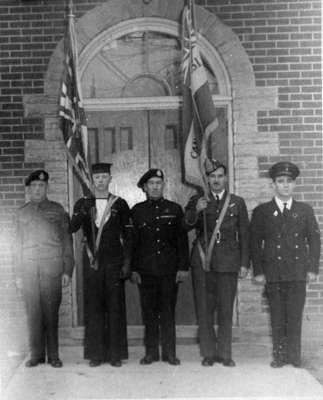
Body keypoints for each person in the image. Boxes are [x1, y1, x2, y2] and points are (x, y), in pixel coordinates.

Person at [250, 161, 321, 368]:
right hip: (274, 273)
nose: (285, 185)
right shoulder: (262, 211)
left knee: (295, 315)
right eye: (281, 181)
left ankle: (294, 355)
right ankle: (280, 356)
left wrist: (313, 269)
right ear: (273, 184)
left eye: (289, 181)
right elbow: (255, 243)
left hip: (298, 272)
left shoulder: (304, 210)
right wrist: (259, 271)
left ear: (295, 185)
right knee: (278, 316)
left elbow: (314, 240)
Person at [183, 159, 249, 367]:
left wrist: (245, 263)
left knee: (226, 309)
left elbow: (245, 234)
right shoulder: (198, 200)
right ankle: (209, 353)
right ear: (207, 179)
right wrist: (196, 212)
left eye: (220, 176)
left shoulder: (237, 202)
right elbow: (184, 225)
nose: (216, 180)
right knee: (204, 308)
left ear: (226, 178)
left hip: (228, 261)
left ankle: (225, 353)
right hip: (203, 261)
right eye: (212, 177)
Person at [70, 163, 132, 367]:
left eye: (104, 177)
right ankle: (95, 355)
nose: (100, 181)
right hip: (92, 261)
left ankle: (115, 355)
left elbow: (128, 235)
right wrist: (82, 212)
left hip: (114, 261)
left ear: (110, 179)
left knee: (115, 306)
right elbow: (72, 227)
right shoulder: (83, 202)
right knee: (94, 306)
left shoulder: (120, 204)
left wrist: (127, 263)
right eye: (97, 178)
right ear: (92, 180)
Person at [14, 170, 74, 368]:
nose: (37, 189)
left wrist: (67, 270)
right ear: (29, 189)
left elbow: (67, 241)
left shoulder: (57, 210)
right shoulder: (22, 213)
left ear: (46, 188)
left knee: (51, 313)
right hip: (29, 270)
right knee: (33, 313)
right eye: (34, 186)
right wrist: (18, 274)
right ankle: (36, 355)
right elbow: (17, 245)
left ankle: (54, 355)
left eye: (41, 186)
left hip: (52, 269)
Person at [131, 168, 189, 366]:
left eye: (158, 183)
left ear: (163, 185)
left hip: (169, 271)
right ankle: (151, 353)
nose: (155, 186)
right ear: (145, 188)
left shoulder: (174, 209)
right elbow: (133, 243)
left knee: (167, 313)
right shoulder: (137, 211)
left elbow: (182, 241)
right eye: (151, 184)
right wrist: (133, 269)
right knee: (149, 313)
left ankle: (170, 353)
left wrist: (183, 267)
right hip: (146, 271)